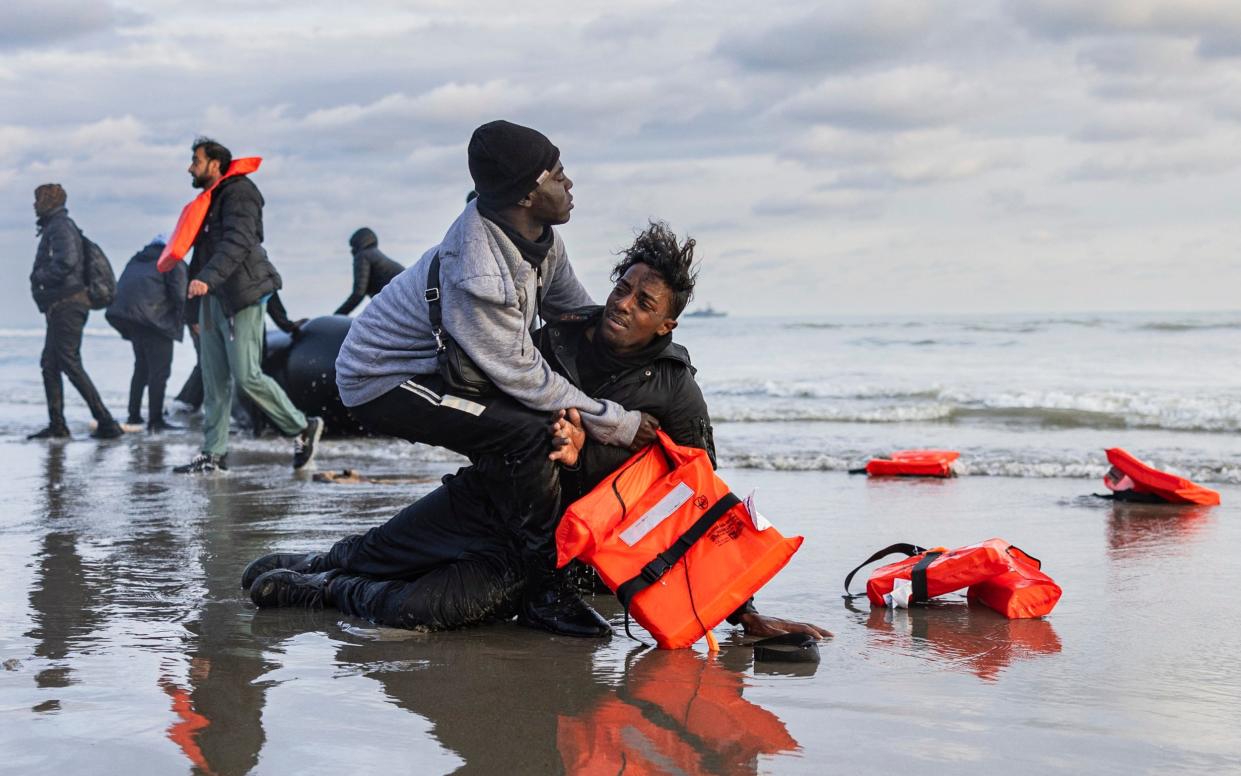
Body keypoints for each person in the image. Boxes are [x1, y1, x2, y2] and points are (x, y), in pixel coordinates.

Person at [246, 223, 829, 643]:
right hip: (485, 497)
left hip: (551, 545)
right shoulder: (557, 339)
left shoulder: (675, 391)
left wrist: (744, 613)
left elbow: (700, 503)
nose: (622, 303)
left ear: (666, 323)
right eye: (621, 287)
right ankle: (326, 561)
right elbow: (495, 417)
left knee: (425, 608)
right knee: (373, 552)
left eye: (643, 301)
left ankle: (324, 591)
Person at [333, 120, 658, 635]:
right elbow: (525, 376)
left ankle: (374, 554)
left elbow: (571, 312)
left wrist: (647, 341)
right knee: (526, 433)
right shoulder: (478, 270)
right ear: (530, 192)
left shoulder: (540, 238)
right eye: (559, 175)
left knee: (520, 442)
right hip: (384, 377)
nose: (569, 184)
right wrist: (615, 421)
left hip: (444, 368)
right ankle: (542, 591)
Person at [169, 137, 323, 473]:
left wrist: (209, 278)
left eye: (195, 160)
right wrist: (193, 310)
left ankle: (302, 428)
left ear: (215, 163)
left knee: (246, 375)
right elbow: (201, 257)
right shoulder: (208, 201)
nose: (189, 167)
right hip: (209, 299)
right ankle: (213, 454)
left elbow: (239, 241)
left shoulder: (241, 192)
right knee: (214, 380)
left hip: (240, 295)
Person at [27, 184, 124, 440]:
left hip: (68, 305)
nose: (35, 205)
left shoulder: (60, 226)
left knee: (68, 362)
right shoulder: (56, 226)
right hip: (64, 305)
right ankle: (58, 425)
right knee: (50, 364)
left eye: (38, 199)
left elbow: (66, 262)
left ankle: (106, 422)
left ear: (49, 200)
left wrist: (40, 276)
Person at [104, 234, 187, 432]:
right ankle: (155, 421)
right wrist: (189, 320)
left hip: (132, 320)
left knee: (141, 368)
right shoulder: (172, 260)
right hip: (156, 321)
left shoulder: (138, 259)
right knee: (160, 372)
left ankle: (134, 416)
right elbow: (180, 294)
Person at [333, 228, 404, 315]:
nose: (351, 250)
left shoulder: (363, 256)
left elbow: (358, 293)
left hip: (397, 303)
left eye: (353, 246)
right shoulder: (374, 254)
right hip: (404, 301)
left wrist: (336, 316)